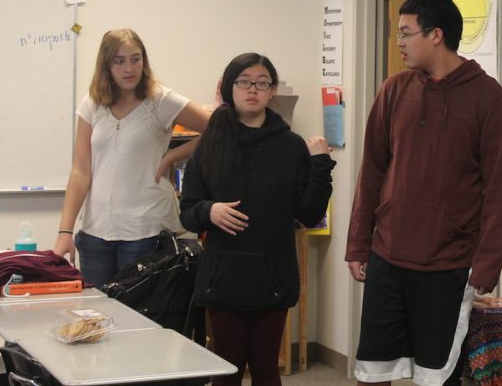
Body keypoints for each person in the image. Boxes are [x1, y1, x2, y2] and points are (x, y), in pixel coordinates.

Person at [346, 0, 502, 386]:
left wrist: (487, 265)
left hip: (449, 263)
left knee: (438, 376)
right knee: (372, 371)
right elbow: (371, 171)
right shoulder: (394, 89)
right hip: (388, 254)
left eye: (406, 33)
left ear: (436, 35)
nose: (400, 43)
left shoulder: (486, 97)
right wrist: (358, 244)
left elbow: (497, 191)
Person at [179, 52, 334, 386]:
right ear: (229, 88)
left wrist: (321, 165)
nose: (253, 89)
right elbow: (188, 213)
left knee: (266, 369)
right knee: (227, 369)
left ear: (272, 91)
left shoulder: (290, 147)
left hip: (273, 276)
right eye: (244, 82)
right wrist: (210, 210)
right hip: (224, 278)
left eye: (262, 83)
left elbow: (308, 214)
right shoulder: (211, 144)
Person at [52, 28, 209, 286]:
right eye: (119, 61)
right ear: (106, 65)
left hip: (145, 231)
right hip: (95, 234)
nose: (129, 68)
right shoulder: (92, 103)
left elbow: (219, 128)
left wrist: (172, 156)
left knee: (139, 318)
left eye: (135, 59)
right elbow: (81, 170)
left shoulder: (160, 99)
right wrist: (65, 231)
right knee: (96, 317)